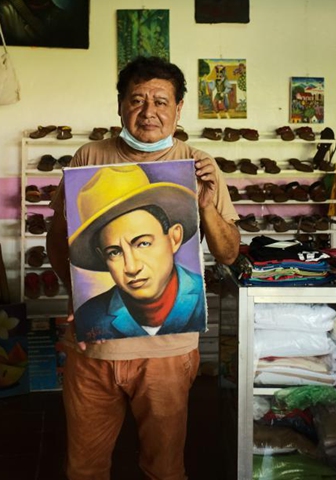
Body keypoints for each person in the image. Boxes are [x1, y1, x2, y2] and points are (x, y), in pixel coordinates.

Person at [47, 56, 240, 480]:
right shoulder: (89, 157)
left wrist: (206, 207)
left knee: (165, 468)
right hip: (93, 349)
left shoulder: (199, 165)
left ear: (179, 108)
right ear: (120, 106)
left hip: (167, 356)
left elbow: (228, 254)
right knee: (84, 468)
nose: (148, 111)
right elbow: (57, 239)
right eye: (137, 100)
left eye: (160, 101)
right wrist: (78, 291)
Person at [68, 164, 206, 342]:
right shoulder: (91, 316)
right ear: (102, 257)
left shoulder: (201, 298)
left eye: (143, 243)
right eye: (114, 252)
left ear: (174, 238)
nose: (131, 267)